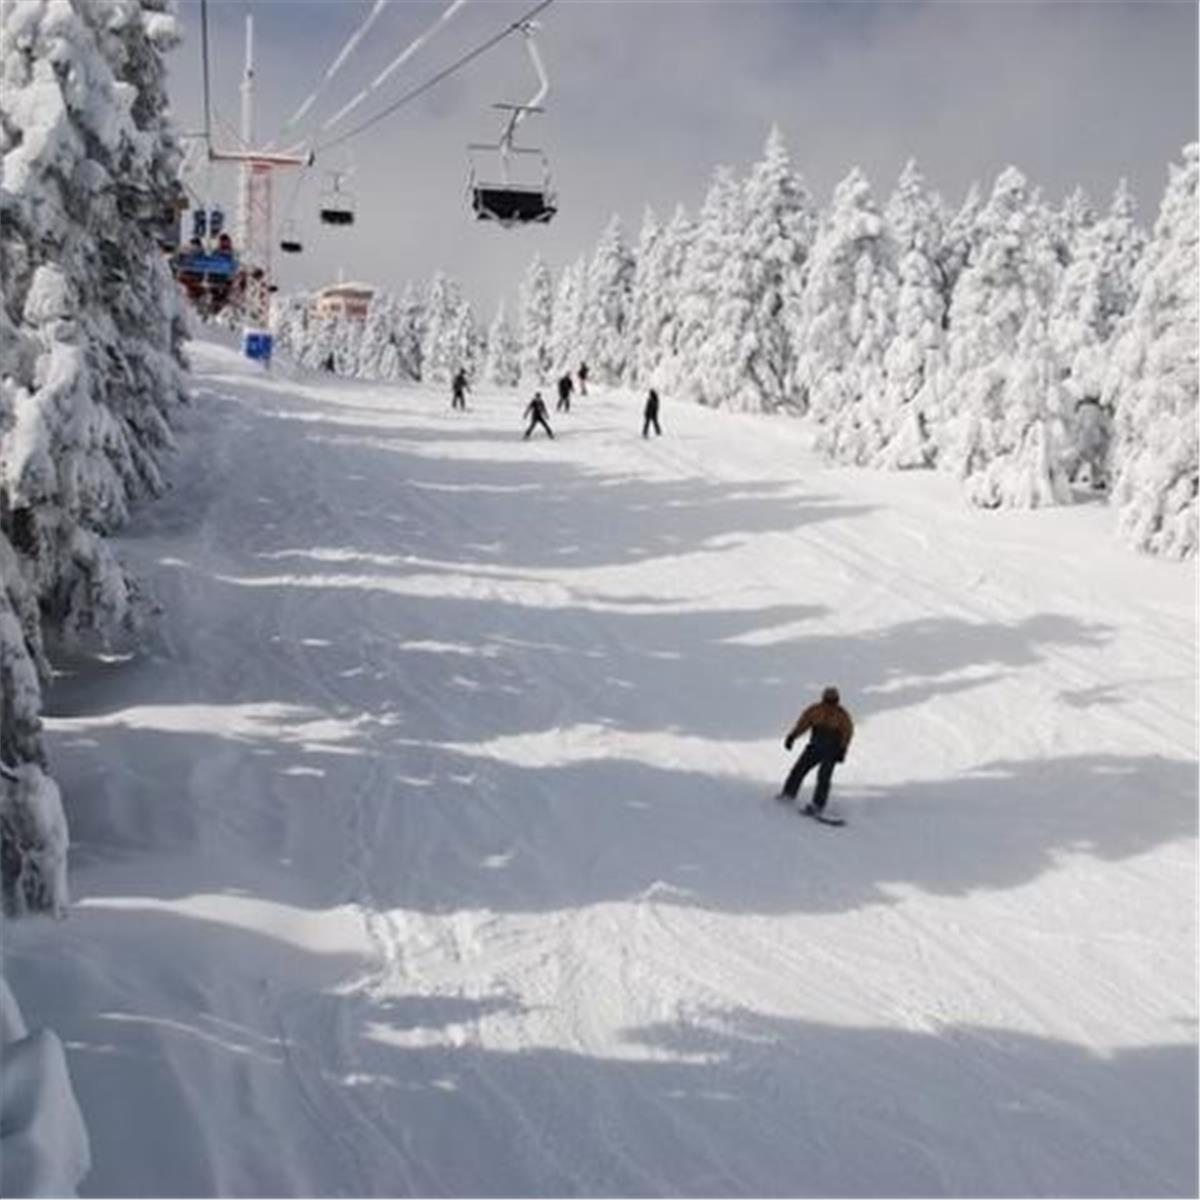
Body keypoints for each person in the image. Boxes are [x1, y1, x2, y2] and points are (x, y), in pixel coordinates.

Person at [776, 686, 854, 814]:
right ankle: (788, 793)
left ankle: (818, 804)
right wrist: (792, 736)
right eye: (828, 701)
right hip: (815, 747)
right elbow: (803, 724)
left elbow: (847, 733)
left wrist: (842, 750)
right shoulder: (815, 710)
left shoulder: (842, 715)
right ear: (823, 699)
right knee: (799, 769)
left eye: (833, 701)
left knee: (823, 777)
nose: (831, 704)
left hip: (831, 750)